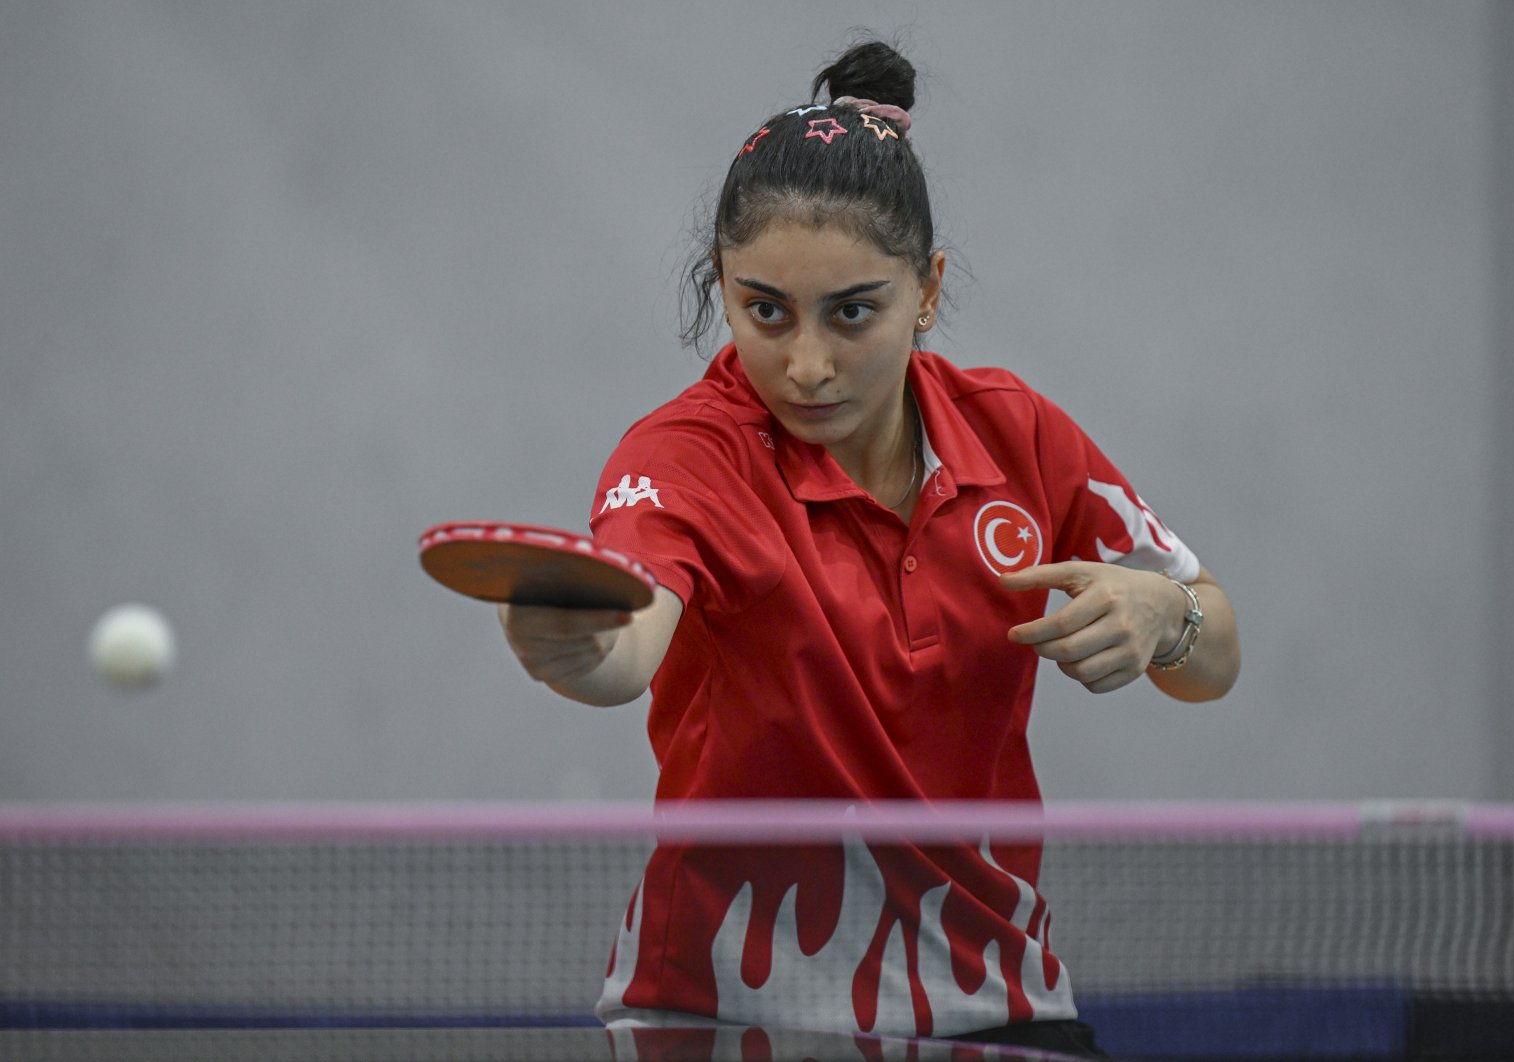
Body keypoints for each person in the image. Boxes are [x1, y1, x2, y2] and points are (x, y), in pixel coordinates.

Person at [500, 40, 1239, 1056]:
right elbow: (628, 647)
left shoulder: (1017, 435)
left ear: (925, 291)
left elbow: (1215, 657)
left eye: (852, 314)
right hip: (721, 1014)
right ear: (721, 286)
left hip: (989, 1003)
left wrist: (1167, 618)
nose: (805, 366)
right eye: (765, 311)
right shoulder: (686, 454)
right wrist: (574, 643)